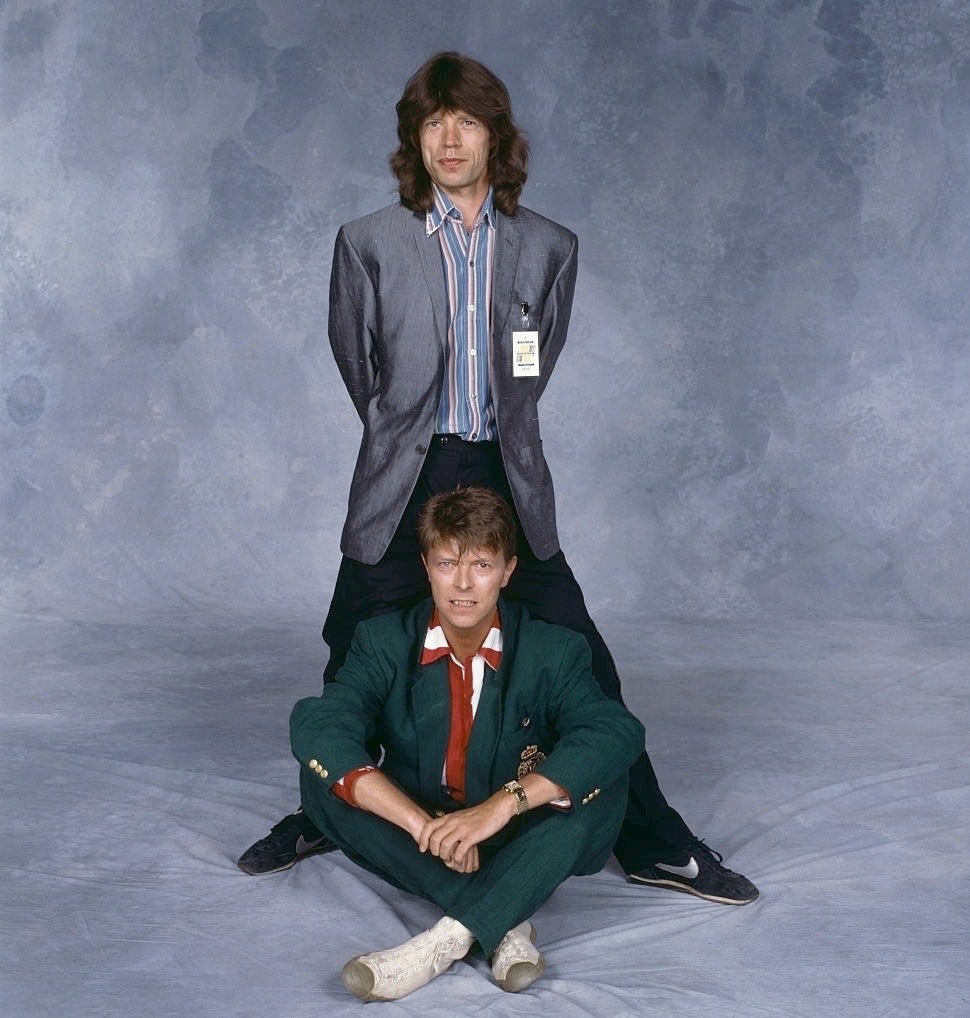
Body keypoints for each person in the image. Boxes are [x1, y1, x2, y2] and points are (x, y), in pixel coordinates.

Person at [238, 50, 757, 906]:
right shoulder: (367, 242)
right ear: (414, 138)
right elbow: (361, 372)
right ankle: (323, 811)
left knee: (586, 657)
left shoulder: (551, 247)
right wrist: (409, 433)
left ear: (495, 136)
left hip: (506, 472)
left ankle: (654, 840)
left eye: (467, 121)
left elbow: (531, 368)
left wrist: (487, 443)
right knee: (352, 651)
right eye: (432, 122)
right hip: (405, 473)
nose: (449, 139)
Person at [292, 487, 644, 1000]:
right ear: (426, 567)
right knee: (320, 776)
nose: (462, 584)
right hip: (428, 830)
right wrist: (421, 825)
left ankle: (441, 943)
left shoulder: (554, 650)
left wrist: (503, 806)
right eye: (446, 563)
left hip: (520, 831)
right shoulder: (382, 641)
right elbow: (321, 723)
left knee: (600, 784)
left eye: (481, 565)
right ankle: (503, 919)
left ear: (507, 571)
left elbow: (615, 730)